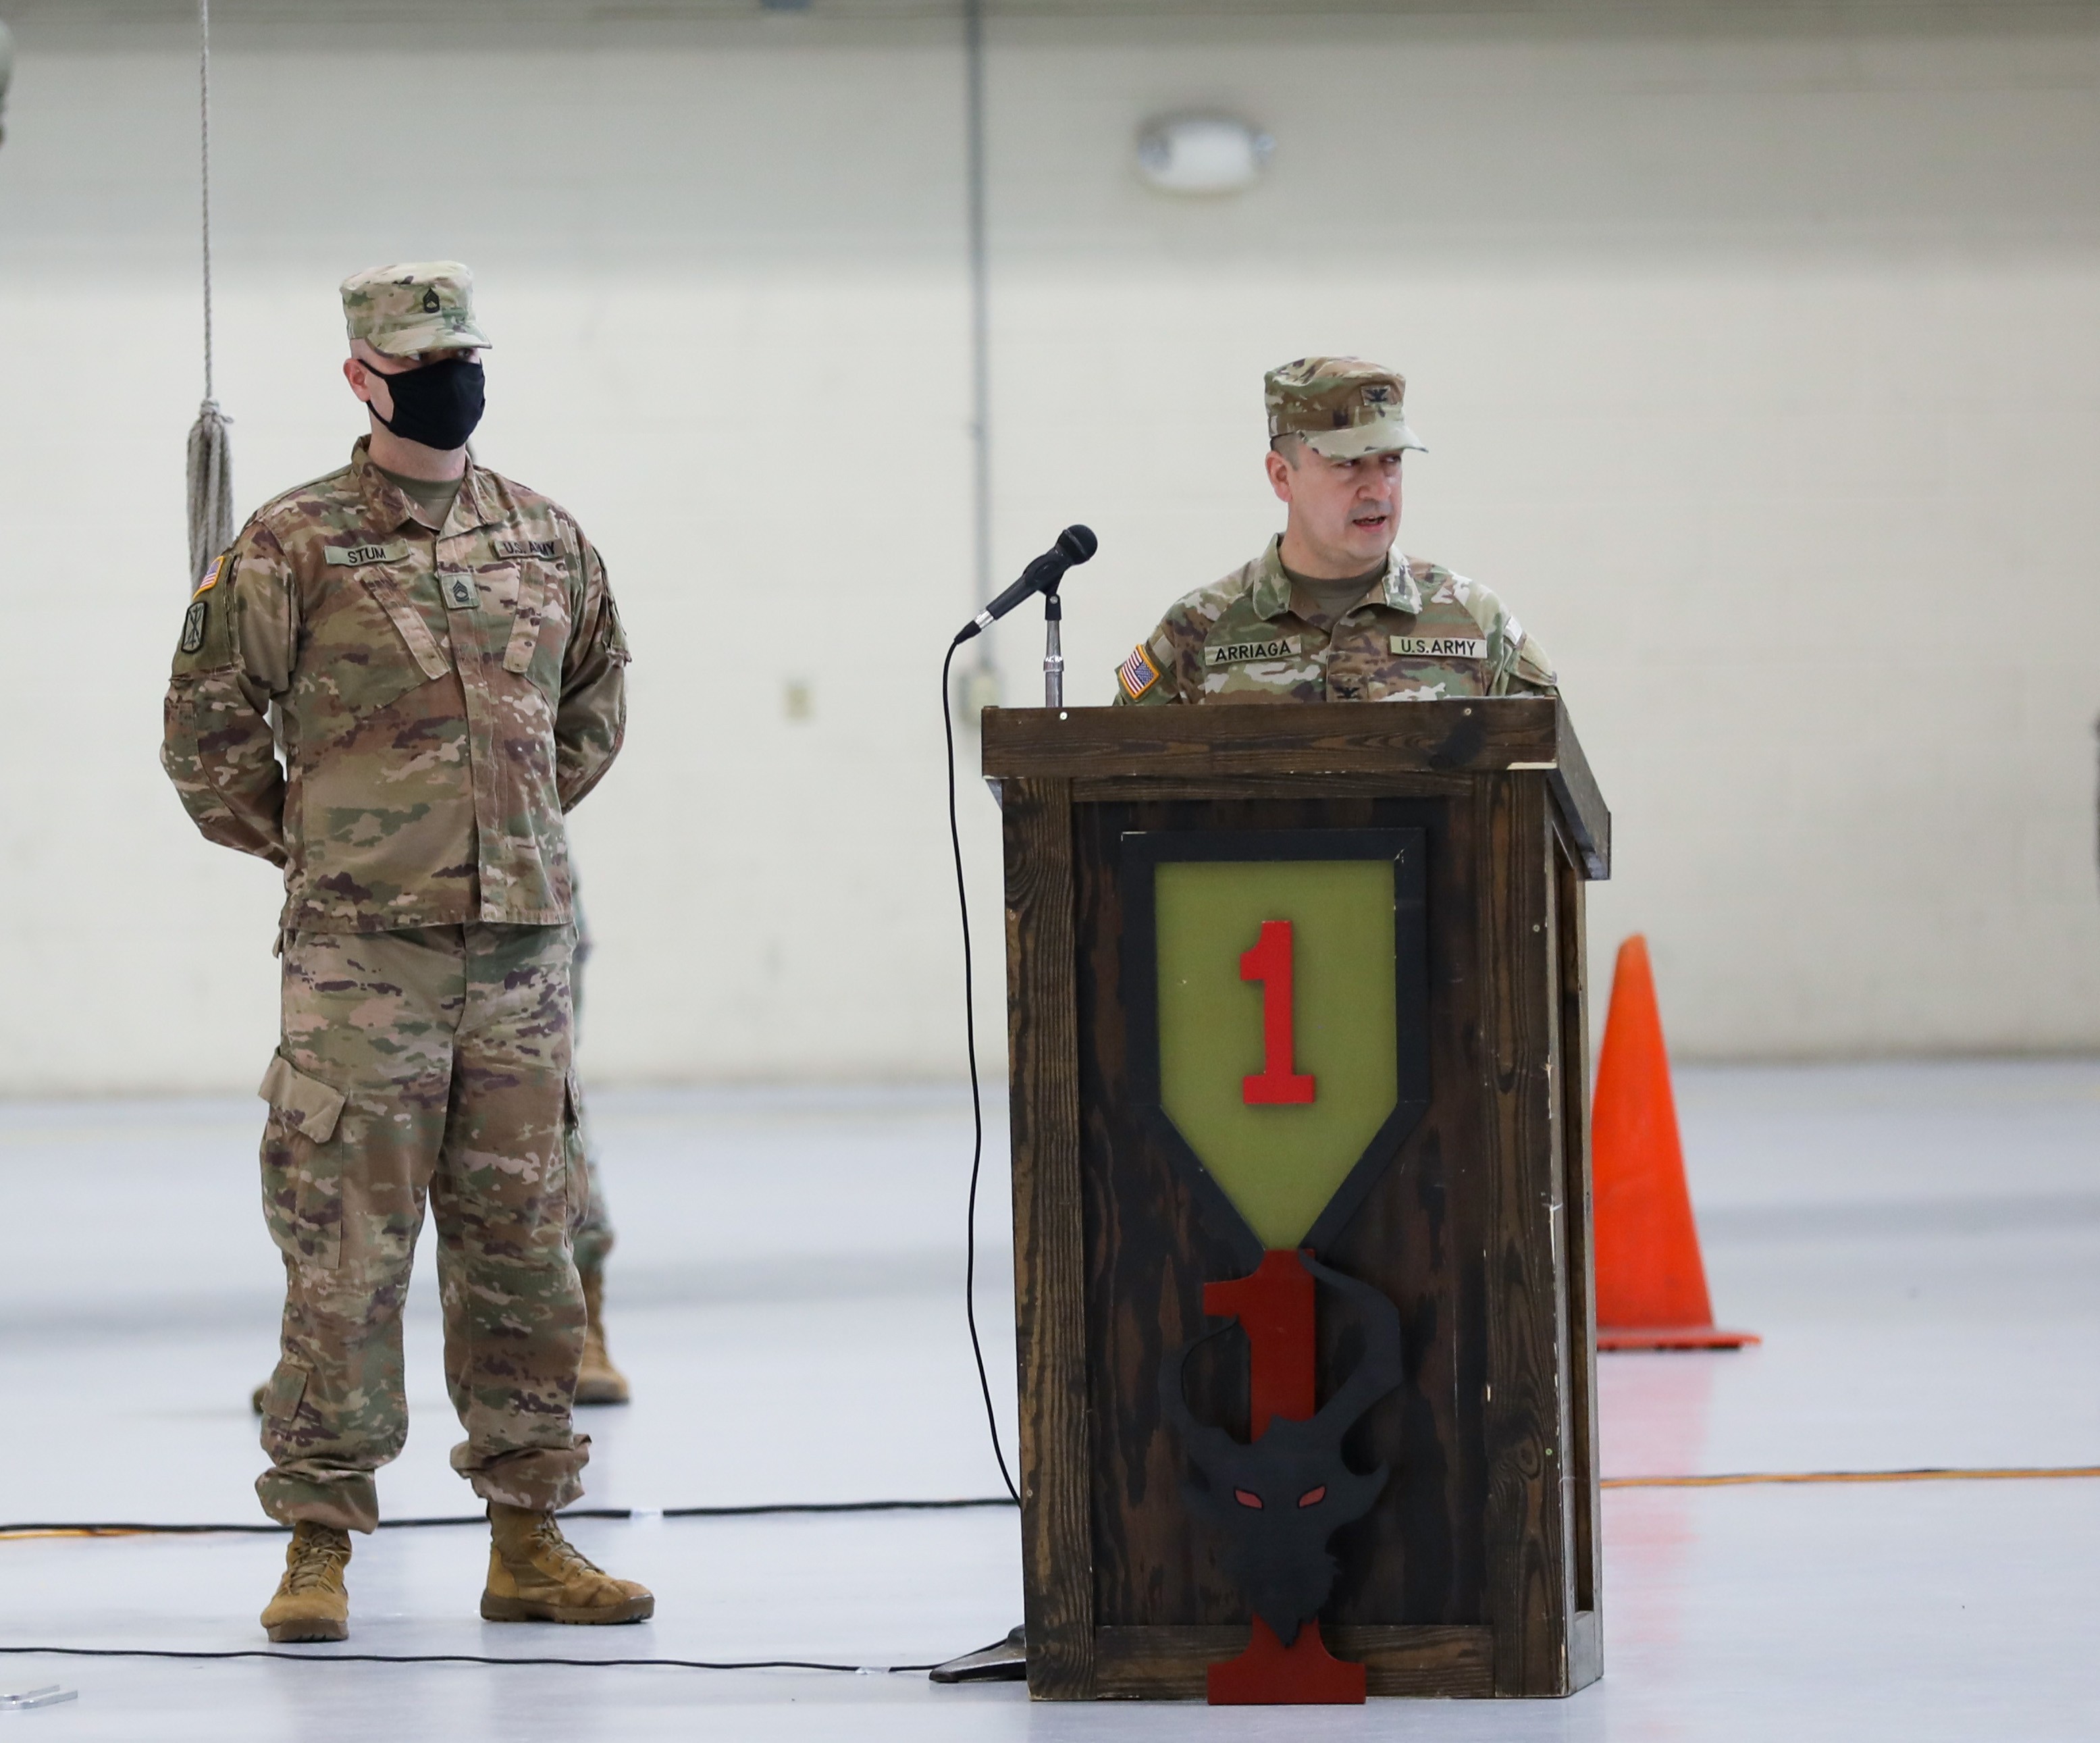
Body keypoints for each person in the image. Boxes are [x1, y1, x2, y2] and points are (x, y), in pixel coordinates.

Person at [162, 261, 650, 1644]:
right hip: (360, 963)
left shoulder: (546, 538)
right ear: (363, 379)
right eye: (425, 360)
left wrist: (511, 834)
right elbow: (203, 730)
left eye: (465, 353)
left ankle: (532, 1538)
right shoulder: (292, 542)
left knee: (524, 1249)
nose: (454, 379)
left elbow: (596, 704)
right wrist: (325, 849)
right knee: (344, 1252)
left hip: (518, 959)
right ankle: (317, 1544)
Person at [1112, 355, 1557, 706]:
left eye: (1392, 461)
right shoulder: (1200, 626)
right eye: (1348, 464)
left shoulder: (1476, 621)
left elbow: (1554, 792)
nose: (1379, 487)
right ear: (1282, 476)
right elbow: (1117, 782)